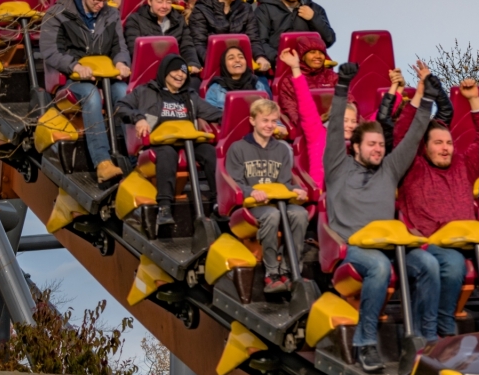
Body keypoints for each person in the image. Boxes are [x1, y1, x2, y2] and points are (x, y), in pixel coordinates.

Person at [324, 61, 436, 373]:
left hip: (392, 244)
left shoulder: (389, 168)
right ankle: (365, 341)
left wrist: (427, 99)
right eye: (372, 145)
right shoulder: (338, 166)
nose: (378, 149)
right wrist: (342, 87)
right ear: (355, 146)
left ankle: (427, 339)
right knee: (378, 266)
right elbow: (334, 126)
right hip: (352, 247)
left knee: (428, 264)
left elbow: (414, 137)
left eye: (382, 145)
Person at [395, 77, 479, 335]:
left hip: (471, 241)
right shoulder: (412, 167)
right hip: (432, 241)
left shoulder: (463, 164)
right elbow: (404, 134)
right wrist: (423, 97)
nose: (445, 148)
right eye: (438, 143)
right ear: (424, 147)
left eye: (448, 142)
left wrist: (473, 99)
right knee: (452, 264)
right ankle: (444, 326)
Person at [40, 0, 131, 183]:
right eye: (97, 0)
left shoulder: (111, 13)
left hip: (105, 76)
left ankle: (134, 155)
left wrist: (121, 61)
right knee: (91, 96)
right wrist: (74, 66)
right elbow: (49, 50)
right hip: (72, 79)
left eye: (104, 0)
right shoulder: (58, 12)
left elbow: (120, 45)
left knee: (125, 93)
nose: (101, 5)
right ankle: (102, 162)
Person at [115, 53, 222, 227]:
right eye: (176, 71)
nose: (180, 75)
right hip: (161, 141)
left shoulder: (190, 96)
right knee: (167, 154)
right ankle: (164, 207)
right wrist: (138, 117)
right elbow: (120, 106)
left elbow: (214, 113)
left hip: (188, 140)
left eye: (184, 72)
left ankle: (219, 203)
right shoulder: (145, 91)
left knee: (210, 152)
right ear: (165, 71)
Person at [225, 98, 309, 294]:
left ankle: (289, 271)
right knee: (272, 216)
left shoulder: (281, 149)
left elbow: (284, 182)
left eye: (274, 121)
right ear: (253, 121)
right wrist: (251, 191)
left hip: (278, 201)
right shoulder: (238, 148)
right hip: (253, 204)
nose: (270, 125)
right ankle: (271, 273)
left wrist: (294, 190)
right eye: (265, 120)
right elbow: (235, 182)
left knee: (300, 214)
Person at [277, 48, 352, 188]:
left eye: (352, 121)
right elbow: (305, 102)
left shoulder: (358, 140)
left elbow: (378, 121)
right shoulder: (318, 134)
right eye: (346, 120)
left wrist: (396, 92)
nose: (350, 124)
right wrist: (295, 67)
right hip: (323, 194)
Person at [188, 0, 268, 73]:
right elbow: (199, 44)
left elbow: (253, 40)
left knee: (262, 85)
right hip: (215, 67)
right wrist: (218, 63)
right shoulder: (201, 9)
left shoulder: (246, 9)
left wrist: (260, 57)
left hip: (242, 65)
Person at [254, 0, 335, 63]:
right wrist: (280, 59)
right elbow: (260, 42)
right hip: (277, 66)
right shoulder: (264, 10)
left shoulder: (315, 9)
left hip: (310, 67)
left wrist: (314, 18)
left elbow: (329, 40)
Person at [123, 0, 200, 75]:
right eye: (159, 1)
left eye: (168, 2)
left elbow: (187, 46)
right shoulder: (135, 20)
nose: (164, 6)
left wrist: (192, 63)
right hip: (148, 71)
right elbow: (134, 50)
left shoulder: (179, 20)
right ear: (149, 1)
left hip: (175, 70)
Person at [274, 35, 336, 130]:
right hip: (308, 127)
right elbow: (290, 109)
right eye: (312, 52)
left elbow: (349, 101)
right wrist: (312, 122)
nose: (318, 56)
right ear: (302, 56)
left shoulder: (333, 77)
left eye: (321, 53)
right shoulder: (290, 80)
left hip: (335, 123)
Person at [204, 46, 271, 109]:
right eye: (231, 58)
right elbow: (211, 117)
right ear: (224, 65)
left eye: (241, 57)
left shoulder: (257, 85)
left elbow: (269, 113)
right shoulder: (215, 89)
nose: (237, 60)